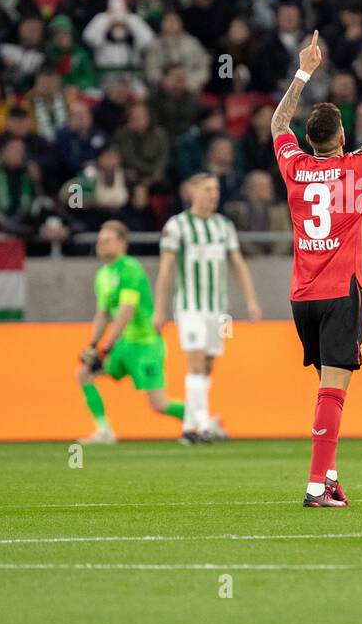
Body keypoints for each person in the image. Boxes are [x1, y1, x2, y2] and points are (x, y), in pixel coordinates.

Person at [271, 29, 362, 507]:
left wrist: (304, 70)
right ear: (343, 137)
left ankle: (328, 478)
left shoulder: (293, 165)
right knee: (333, 393)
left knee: (327, 390)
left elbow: (276, 124)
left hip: (302, 297)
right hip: (341, 292)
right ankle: (315, 487)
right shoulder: (356, 167)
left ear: (308, 139)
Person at [154, 172, 262, 443]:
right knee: (196, 363)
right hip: (190, 307)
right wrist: (160, 309)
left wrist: (251, 300)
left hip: (218, 310)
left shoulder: (223, 226)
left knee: (209, 364)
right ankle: (200, 426)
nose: (213, 194)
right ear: (192, 193)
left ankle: (192, 425)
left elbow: (237, 263)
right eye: (207, 189)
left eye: (215, 189)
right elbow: (166, 268)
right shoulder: (177, 225)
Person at [76, 220, 185, 444]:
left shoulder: (130, 269)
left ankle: (203, 420)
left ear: (122, 243)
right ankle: (104, 430)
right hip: (124, 345)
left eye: (107, 240)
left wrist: (106, 348)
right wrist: (92, 345)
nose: (101, 245)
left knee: (159, 405)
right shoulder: (103, 275)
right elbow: (103, 314)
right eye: (99, 241)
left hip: (146, 345)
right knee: (83, 373)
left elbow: (126, 313)